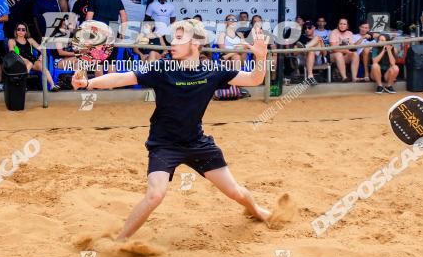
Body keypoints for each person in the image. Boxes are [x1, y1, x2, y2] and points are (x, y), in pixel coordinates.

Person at [71, 19, 282, 243]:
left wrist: (260, 57)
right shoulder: (161, 68)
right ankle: (120, 240)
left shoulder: (213, 71)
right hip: (164, 144)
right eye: (173, 37)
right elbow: (123, 77)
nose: (172, 42)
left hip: (197, 143)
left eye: (179, 38)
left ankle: (256, 210)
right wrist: (88, 84)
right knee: (155, 195)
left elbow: (254, 79)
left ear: (196, 44)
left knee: (235, 192)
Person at [86, 0, 127, 76]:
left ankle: (99, 88)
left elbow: (89, 18)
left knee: (98, 62)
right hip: (113, 29)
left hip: (98, 31)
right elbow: (123, 16)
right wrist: (122, 33)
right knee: (112, 61)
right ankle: (110, 88)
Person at [7, 23, 57, 91]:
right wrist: (23, 59)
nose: (21, 31)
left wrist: (41, 56)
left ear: (26, 31)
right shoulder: (12, 40)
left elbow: (42, 49)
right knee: (29, 63)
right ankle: (21, 85)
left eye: (23, 30)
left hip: (32, 60)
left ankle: (52, 85)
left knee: (41, 65)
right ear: (16, 31)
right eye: (18, 29)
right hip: (19, 61)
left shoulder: (30, 40)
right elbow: (12, 52)